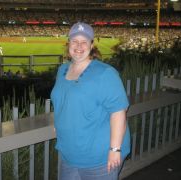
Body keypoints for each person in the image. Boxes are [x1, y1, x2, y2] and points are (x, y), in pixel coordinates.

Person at [51, 22, 130, 180]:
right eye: (75, 41)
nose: (79, 46)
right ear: (68, 44)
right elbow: (63, 101)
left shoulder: (105, 73)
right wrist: (58, 123)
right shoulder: (62, 70)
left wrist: (114, 149)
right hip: (69, 154)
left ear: (91, 45)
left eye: (84, 41)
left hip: (99, 158)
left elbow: (118, 112)